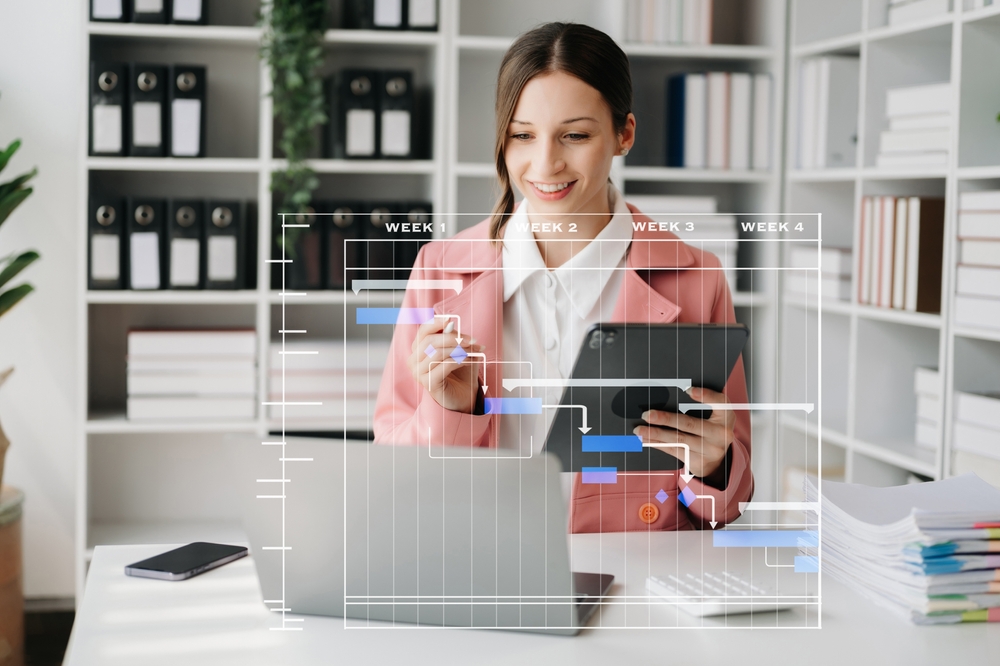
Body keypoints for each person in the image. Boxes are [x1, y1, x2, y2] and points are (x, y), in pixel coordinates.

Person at [373, 22, 752, 532]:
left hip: (632, 585)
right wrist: (451, 411)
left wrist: (713, 466)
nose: (546, 163)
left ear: (624, 134)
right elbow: (397, 478)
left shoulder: (697, 278)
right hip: (478, 568)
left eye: (575, 135)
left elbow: (728, 504)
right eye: (522, 135)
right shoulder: (439, 269)